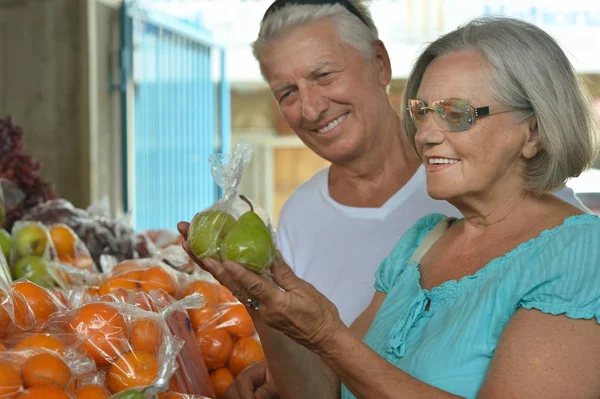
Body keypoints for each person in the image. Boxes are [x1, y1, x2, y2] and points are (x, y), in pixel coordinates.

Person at [179, 14, 600, 399]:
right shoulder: (423, 240)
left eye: (456, 113)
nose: (426, 135)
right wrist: (262, 299)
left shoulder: (583, 252)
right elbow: (328, 390)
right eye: (422, 112)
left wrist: (326, 334)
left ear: (534, 132)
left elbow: (339, 352)